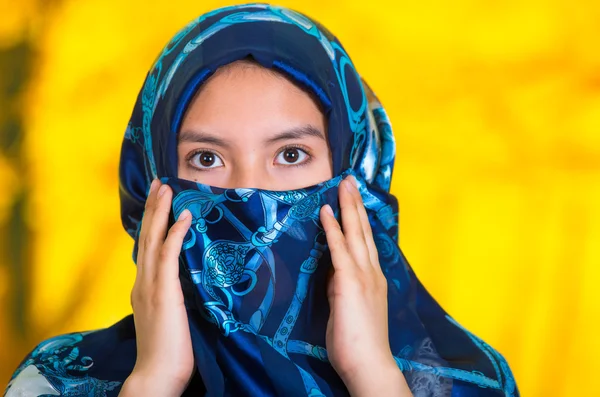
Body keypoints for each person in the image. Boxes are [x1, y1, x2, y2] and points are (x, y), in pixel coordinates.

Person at [4, 4, 518, 397]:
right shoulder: (56, 381)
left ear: (354, 177)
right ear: (152, 183)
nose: (250, 195)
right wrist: (154, 381)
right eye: (207, 159)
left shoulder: (470, 381)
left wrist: (372, 374)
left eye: (291, 154)